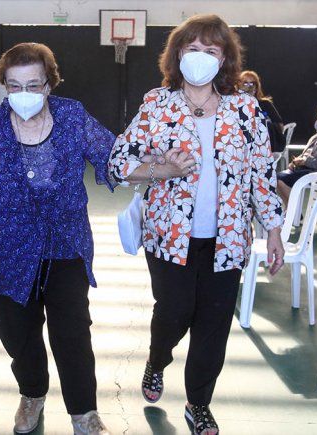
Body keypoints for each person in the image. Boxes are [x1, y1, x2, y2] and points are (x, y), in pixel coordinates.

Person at [108, 14, 285, 435]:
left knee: (213, 324)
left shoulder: (245, 109)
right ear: (178, 54)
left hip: (228, 241)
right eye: (192, 49)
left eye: (211, 50)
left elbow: (262, 174)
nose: (200, 57)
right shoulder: (158, 104)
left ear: (224, 59)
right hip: (169, 237)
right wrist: (163, 168)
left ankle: (198, 403)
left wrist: (274, 229)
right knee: (173, 314)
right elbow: (118, 164)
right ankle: (157, 359)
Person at [0, 43, 114, 435]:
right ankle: (32, 394)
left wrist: (156, 167)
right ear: (4, 86)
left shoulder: (71, 116)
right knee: (18, 334)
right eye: (15, 86)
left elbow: (112, 156)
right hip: (7, 250)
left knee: (72, 333)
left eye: (33, 85)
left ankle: (84, 412)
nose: (24, 94)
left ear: (49, 84)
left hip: (64, 244)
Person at [276, 108, 317, 208]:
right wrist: (294, 162)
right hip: (304, 169)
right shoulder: (316, 137)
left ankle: (293, 210)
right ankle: (291, 209)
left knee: (280, 180)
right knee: (276, 178)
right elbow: (305, 154)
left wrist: (305, 161)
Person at [240, 70, 285, 153]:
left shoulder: (265, 103)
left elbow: (279, 125)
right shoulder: (234, 105)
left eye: (252, 83)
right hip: (241, 147)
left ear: (257, 86)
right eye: (245, 83)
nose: (249, 87)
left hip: (264, 147)